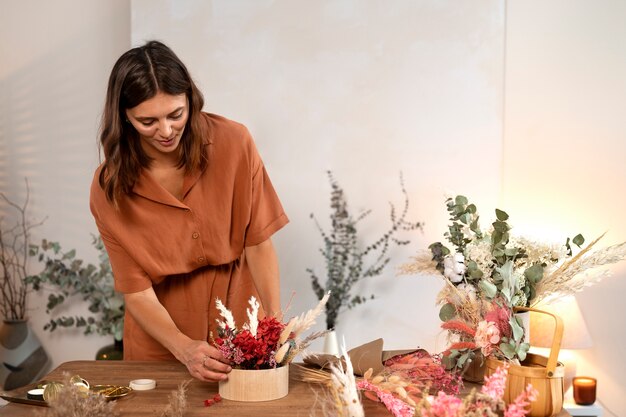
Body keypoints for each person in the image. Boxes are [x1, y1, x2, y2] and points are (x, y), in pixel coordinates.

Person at [89, 40, 288, 382]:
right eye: (147, 121)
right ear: (124, 116)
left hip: (240, 320)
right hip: (160, 339)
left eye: (175, 115)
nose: (165, 131)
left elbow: (258, 243)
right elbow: (136, 291)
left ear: (190, 101)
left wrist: (272, 328)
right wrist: (182, 347)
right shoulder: (109, 187)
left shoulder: (234, 143)